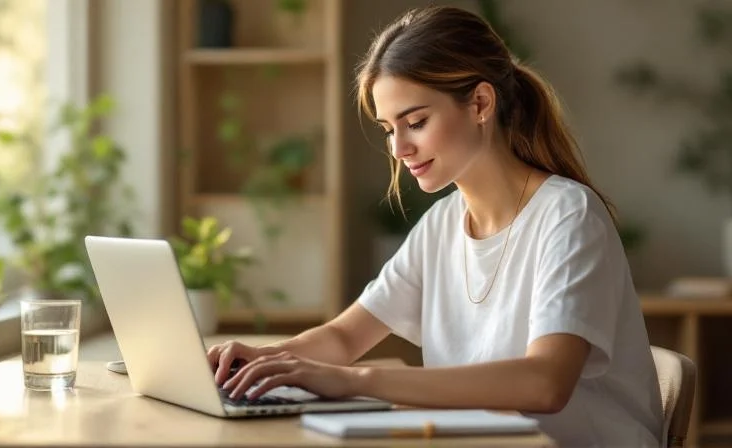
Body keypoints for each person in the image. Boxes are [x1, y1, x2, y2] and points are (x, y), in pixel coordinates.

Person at [208, 5, 663, 447]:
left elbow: (545, 384)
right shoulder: (442, 224)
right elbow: (347, 335)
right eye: (389, 129)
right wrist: (265, 361)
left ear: (481, 103)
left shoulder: (568, 216)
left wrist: (355, 381)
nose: (399, 148)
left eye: (416, 122)